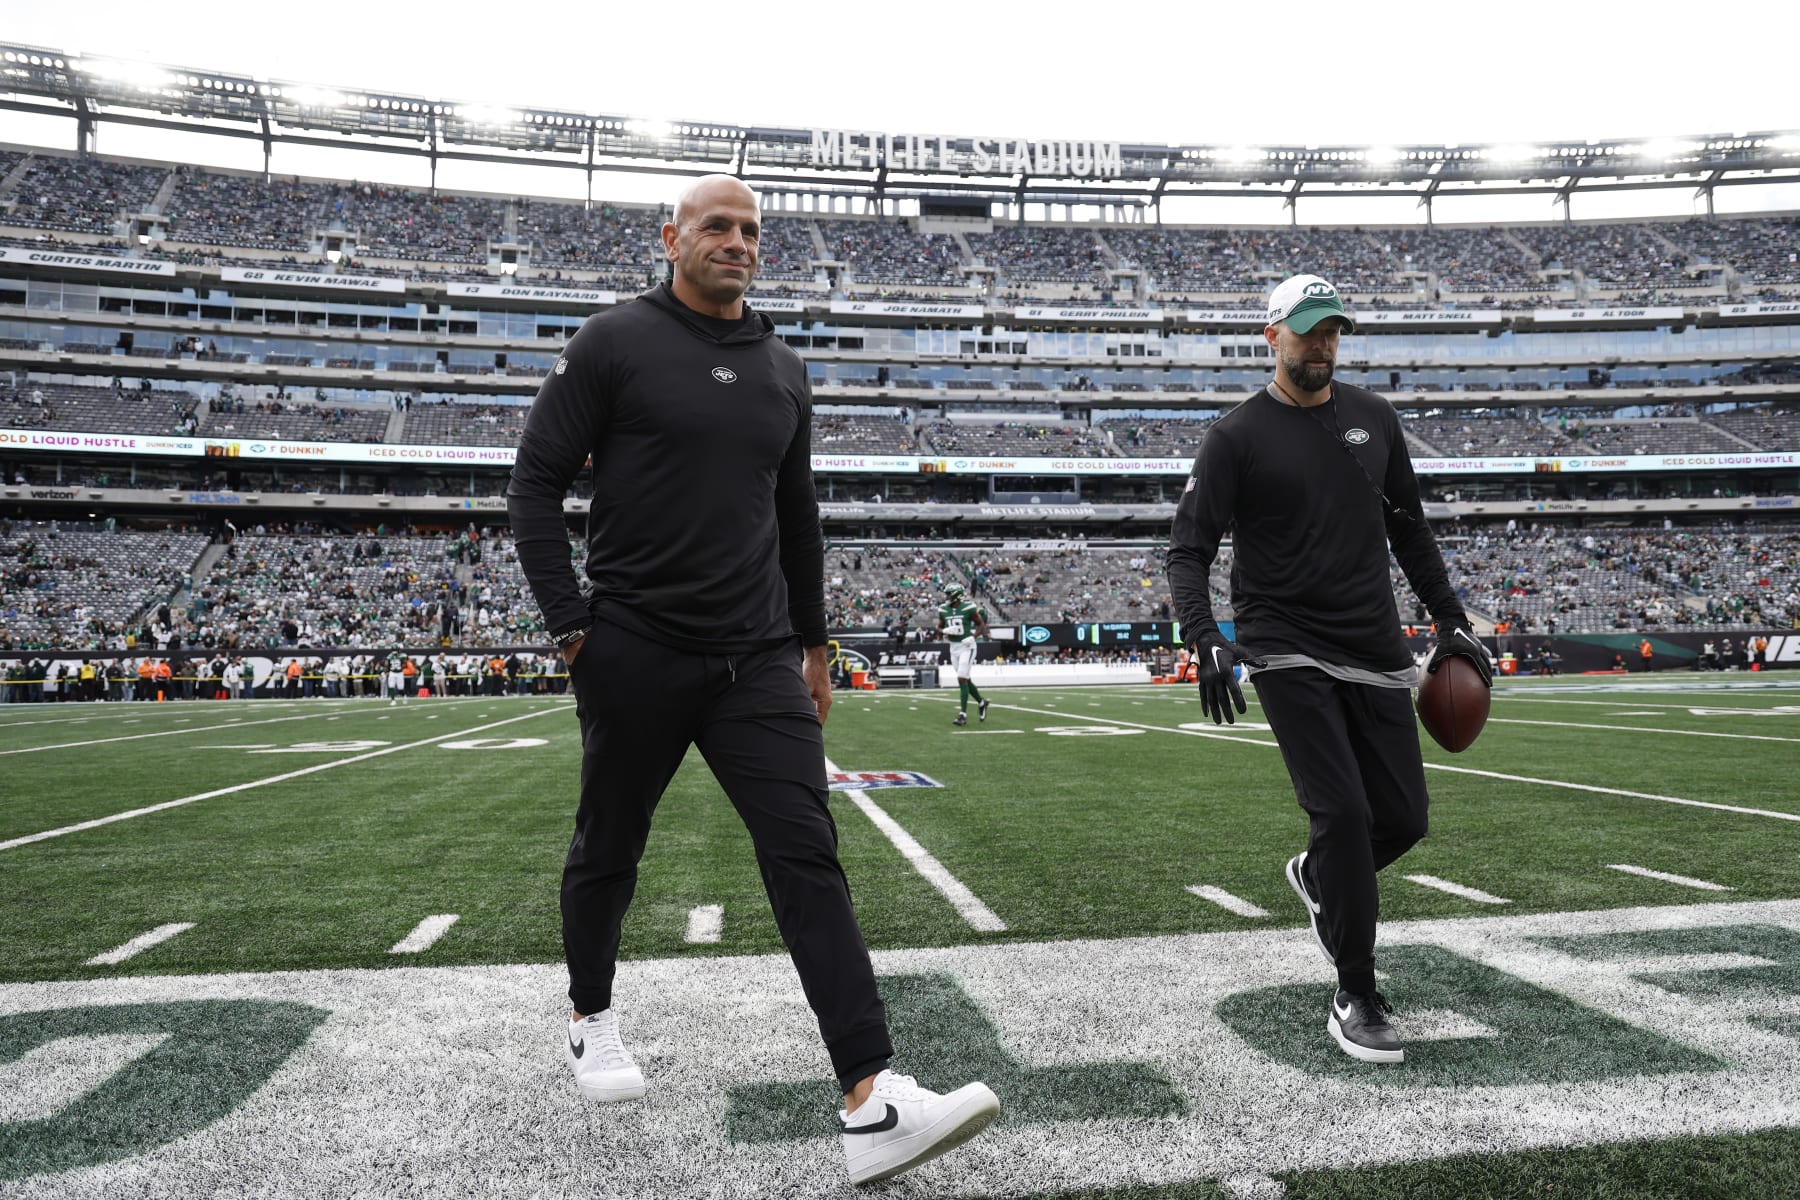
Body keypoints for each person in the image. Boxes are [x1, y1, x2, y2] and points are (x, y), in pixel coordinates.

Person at [506, 173, 998, 1185]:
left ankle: (871, 1097)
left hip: (757, 658)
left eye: (751, 232)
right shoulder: (612, 341)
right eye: (718, 227)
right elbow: (533, 484)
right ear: (673, 237)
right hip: (634, 644)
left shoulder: (782, 365)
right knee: (610, 844)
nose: (738, 243)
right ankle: (589, 1016)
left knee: (808, 851)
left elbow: (800, 519)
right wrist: (571, 630)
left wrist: (815, 646)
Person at [1167, 273, 1492, 1066]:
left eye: (1333, 331)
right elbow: (1189, 549)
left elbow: (1410, 532)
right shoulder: (1235, 436)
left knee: (1404, 819)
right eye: (1308, 330)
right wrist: (1205, 633)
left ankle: (1320, 876)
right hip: (1285, 645)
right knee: (1342, 812)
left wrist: (1450, 617)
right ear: (1270, 336)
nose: (1322, 344)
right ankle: (1356, 990)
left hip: (1376, 648)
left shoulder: (1377, 421)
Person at [935, 582, 989, 726]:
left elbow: (980, 623)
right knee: (965, 679)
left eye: (948, 594)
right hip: (954, 647)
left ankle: (962, 715)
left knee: (961, 678)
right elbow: (939, 627)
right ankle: (981, 702)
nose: (946, 596)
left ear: (956, 595)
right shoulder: (943, 609)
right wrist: (943, 632)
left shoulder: (968, 607)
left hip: (967, 646)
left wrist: (974, 636)